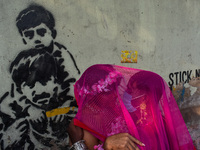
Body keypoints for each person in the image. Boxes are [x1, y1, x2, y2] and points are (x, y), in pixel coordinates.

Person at [71, 64, 195, 150]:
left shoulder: (133, 118)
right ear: (93, 96)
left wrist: (107, 145)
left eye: (114, 89)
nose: (116, 96)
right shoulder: (85, 124)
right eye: (108, 91)